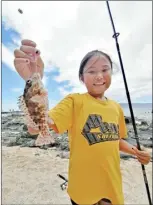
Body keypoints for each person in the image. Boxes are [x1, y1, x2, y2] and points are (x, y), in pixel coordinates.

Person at [14, 39, 151, 205]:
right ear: (81, 77)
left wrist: (136, 152)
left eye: (105, 69)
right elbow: (36, 127)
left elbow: (115, 139)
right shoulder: (74, 101)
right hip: (82, 190)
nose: (99, 76)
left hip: (112, 187)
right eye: (92, 71)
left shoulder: (116, 108)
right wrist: (33, 81)